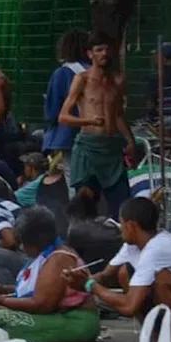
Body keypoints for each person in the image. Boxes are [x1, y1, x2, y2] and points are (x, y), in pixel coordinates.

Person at [65, 197, 171, 342]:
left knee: (162, 280)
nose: (120, 230)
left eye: (121, 224)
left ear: (131, 226)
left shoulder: (157, 248)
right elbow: (105, 275)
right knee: (124, 272)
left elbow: (129, 306)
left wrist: (89, 285)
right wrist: (80, 278)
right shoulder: (133, 244)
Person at [0, 207, 100, 342]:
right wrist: (1, 288)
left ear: (33, 242)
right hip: (62, 317)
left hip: (77, 322)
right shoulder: (48, 255)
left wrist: (1, 300)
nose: (21, 248)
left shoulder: (59, 259)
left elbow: (41, 304)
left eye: (22, 243)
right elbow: (40, 290)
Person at [59, 32, 135, 217]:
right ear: (90, 54)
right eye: (99, 50)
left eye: (107, 50)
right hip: (88, 147)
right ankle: (82, 241)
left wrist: (130, 141)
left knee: (122, 205)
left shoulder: (117, 81)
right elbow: (63, 117)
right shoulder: (82, 79)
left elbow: (118, 114)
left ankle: (120, 242)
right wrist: (89, 121)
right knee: (85, 206)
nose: (104, 54)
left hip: (112, 149)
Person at [43, 30, 88, 156]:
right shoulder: (96, 72)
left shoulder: (63, 73)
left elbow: (53, 110)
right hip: (98, 133)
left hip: (69, 136)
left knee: (74, 174)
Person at [147, 41, 171, 129]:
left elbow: (150, 106)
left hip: (162, 128)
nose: (154, 58)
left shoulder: (156, 78)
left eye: (156, 55)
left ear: (162, 58)